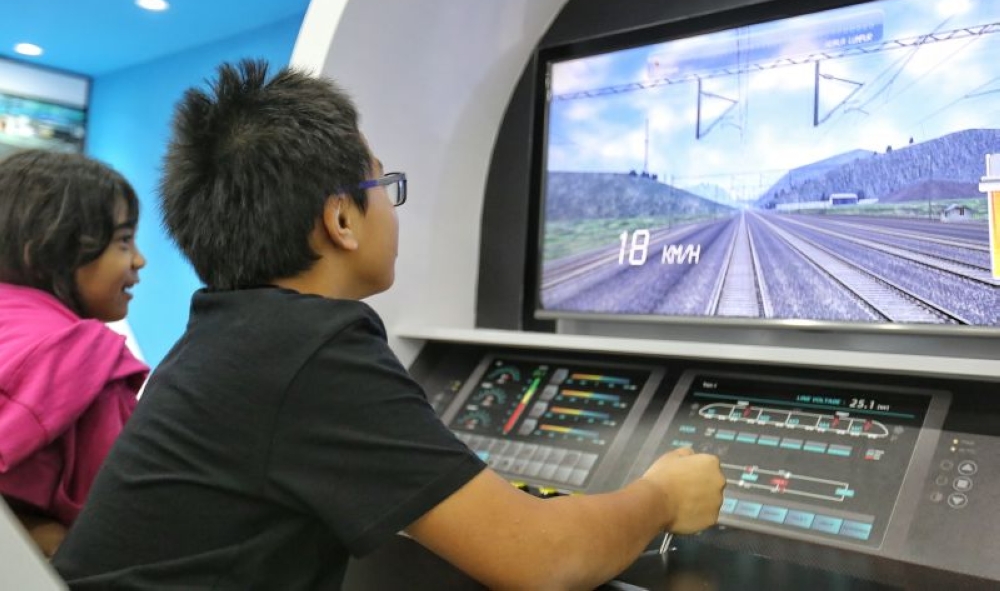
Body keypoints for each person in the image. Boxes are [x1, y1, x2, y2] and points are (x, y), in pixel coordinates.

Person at [53, 59, 725, 590]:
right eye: (384, 186)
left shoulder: (230, 334)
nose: (393, 210)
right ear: (341, 220)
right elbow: (541, 557)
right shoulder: (312, 347)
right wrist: (660, 496)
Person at [0, 149, 149, 557]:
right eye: (123, 241)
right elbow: (119, 517)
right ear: (42, 247)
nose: (139, 260)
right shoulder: (81, 358)